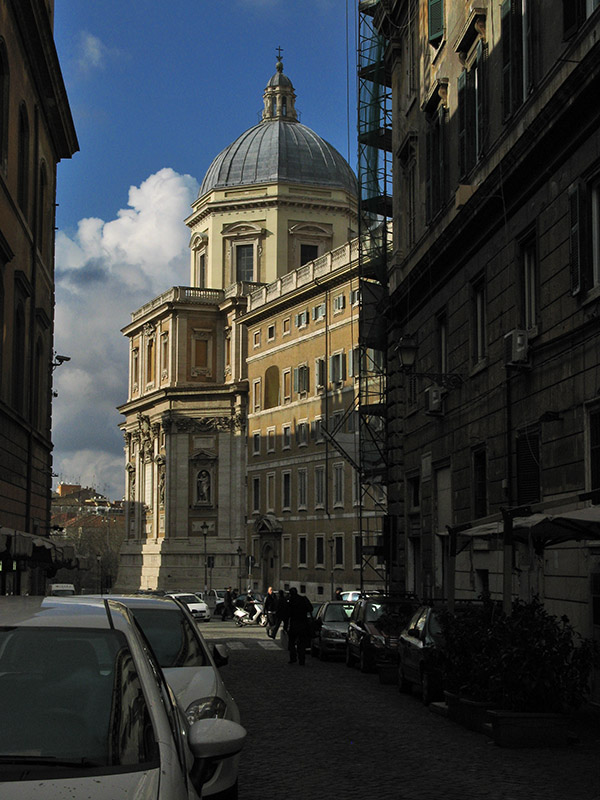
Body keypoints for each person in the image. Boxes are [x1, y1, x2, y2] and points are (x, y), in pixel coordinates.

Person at [282, 587, 313, 665]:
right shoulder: (303, 599)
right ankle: (301, 659)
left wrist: (285, 626)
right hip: (303, 624)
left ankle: (293, 658)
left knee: (292, 643)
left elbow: (286, 614)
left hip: (294, 624)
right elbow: (310, 609)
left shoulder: (290, 601)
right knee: (301, 643)